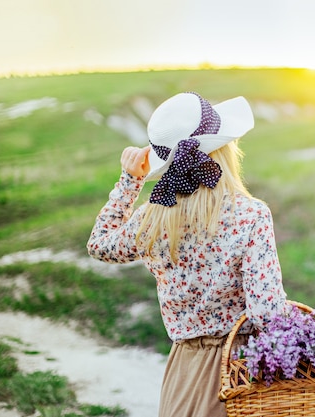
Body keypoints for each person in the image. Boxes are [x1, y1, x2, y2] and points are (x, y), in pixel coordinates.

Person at [87, 91, 287, 417]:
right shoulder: (250, 215)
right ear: (224, 148)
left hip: (182, 370)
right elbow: (267, 314)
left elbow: (99, 243)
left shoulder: (151, 218)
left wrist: (130, 181)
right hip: (238, 373)